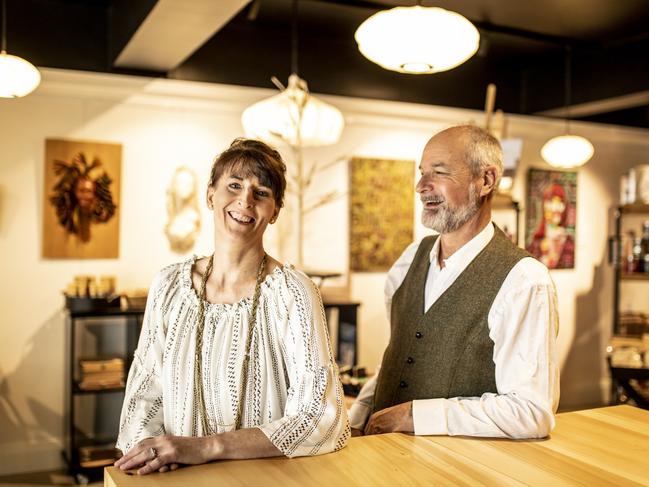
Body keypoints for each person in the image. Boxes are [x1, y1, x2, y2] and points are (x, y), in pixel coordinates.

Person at [115, 138, 349, 475]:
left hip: (266, 478)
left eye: (262, 192)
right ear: (210, 195)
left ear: (275, 212)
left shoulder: (293, 293)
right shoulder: (168, 286)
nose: (245, 201)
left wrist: (208, 447)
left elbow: (321, 417)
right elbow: (144, 396)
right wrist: (149, 458)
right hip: (178, 477)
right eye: (234, 185)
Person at [350, 125, 559, 439]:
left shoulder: (524, 280)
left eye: (439, 172)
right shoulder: (409, 260)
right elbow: (395, 359)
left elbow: (530, 412)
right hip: (380, 458)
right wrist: (357, 417)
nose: (421, 186)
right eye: (422, 173)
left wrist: (413, 415)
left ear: (485, 180)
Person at [526, 181, 575, 268]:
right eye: (551, 202)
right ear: (544, 206)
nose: (556, 208)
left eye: (560, 203)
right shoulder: (535, 243)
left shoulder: (568, 243)